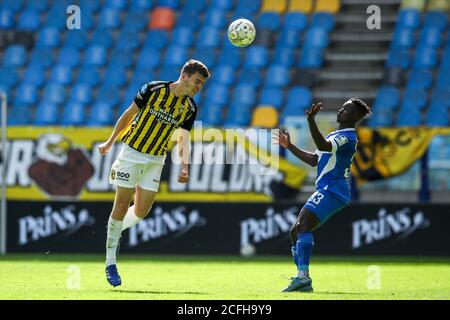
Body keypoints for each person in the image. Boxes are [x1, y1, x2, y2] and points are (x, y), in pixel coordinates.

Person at [98, 59, 210, 287]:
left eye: (202, 85)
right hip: (131, 152)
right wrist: (110, 142)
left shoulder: (189, 108)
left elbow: (183, 138)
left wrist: (185, 166)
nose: (199, 87)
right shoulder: (153, 89)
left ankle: (115, 228)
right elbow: (129, 114)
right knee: (120, 206)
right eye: (197, 82)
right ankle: (110, 262)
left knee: (141, 211)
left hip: (156, 159)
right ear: (185, 76)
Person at [274, 98, 371, 292]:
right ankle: (301, 278)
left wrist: (311, 121)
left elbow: (325, 147)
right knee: (295, 231)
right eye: (342, 107)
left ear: (354, 116)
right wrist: (290, 146)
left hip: (334, 190)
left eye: (346, 109)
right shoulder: (336, 134)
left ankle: (303, 277)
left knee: (303, 226)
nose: (340, 111)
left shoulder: (348, 137)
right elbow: (313, 160)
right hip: (325, 189)